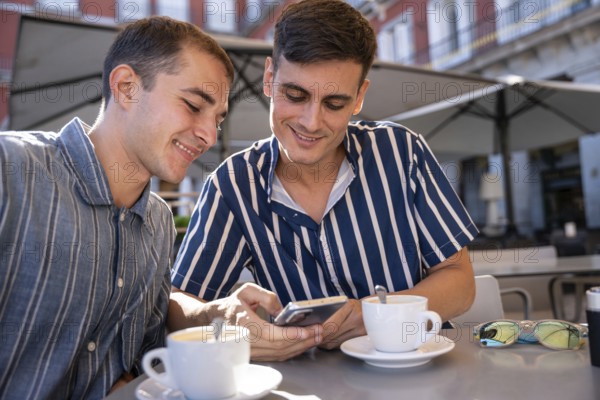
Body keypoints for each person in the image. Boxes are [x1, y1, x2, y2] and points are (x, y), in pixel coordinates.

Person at [171, 0, 478, 360]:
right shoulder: (232, 186)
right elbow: (180, 304)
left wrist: (372, 315)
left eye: (334, 103)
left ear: (359, 97)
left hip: (420, 371)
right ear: (269, 78)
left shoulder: (401, 152)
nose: (311, 122)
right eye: (295, 95)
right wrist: (220, 316)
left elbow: (460, 280)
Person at [0, 16, 270, 399]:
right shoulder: (11, 173)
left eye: (217, 118)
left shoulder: (158, 220)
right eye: (194, 105)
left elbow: (147, 348)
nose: (210, 135)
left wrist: (216, 314)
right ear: (127, 87)